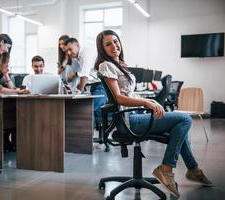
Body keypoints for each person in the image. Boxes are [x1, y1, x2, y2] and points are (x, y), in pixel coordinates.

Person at [95, 30, 212, 198]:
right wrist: (145, 102)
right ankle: (167, 169)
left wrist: (151, 101)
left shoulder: (118, 64)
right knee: (184, 119)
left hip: (133, 115)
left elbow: (127, 94)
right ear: (102, 49)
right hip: (128, 120)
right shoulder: (106, 66)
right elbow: (119, 98)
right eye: (108, 44)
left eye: (116, 41)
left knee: (179, 127)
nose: (114, 45)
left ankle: (192, 169)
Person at [64, 37, 107, 122]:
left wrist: (78, 90)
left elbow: (85, 73)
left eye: (70, 49)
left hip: (101, 84)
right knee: (88, 110)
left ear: (77, 45)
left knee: (93, 110)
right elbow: (86, 73)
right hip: (94, 85)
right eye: (66, 51)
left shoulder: (86, 51)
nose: (69, 52)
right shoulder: (78, 57)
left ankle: (92, 134)